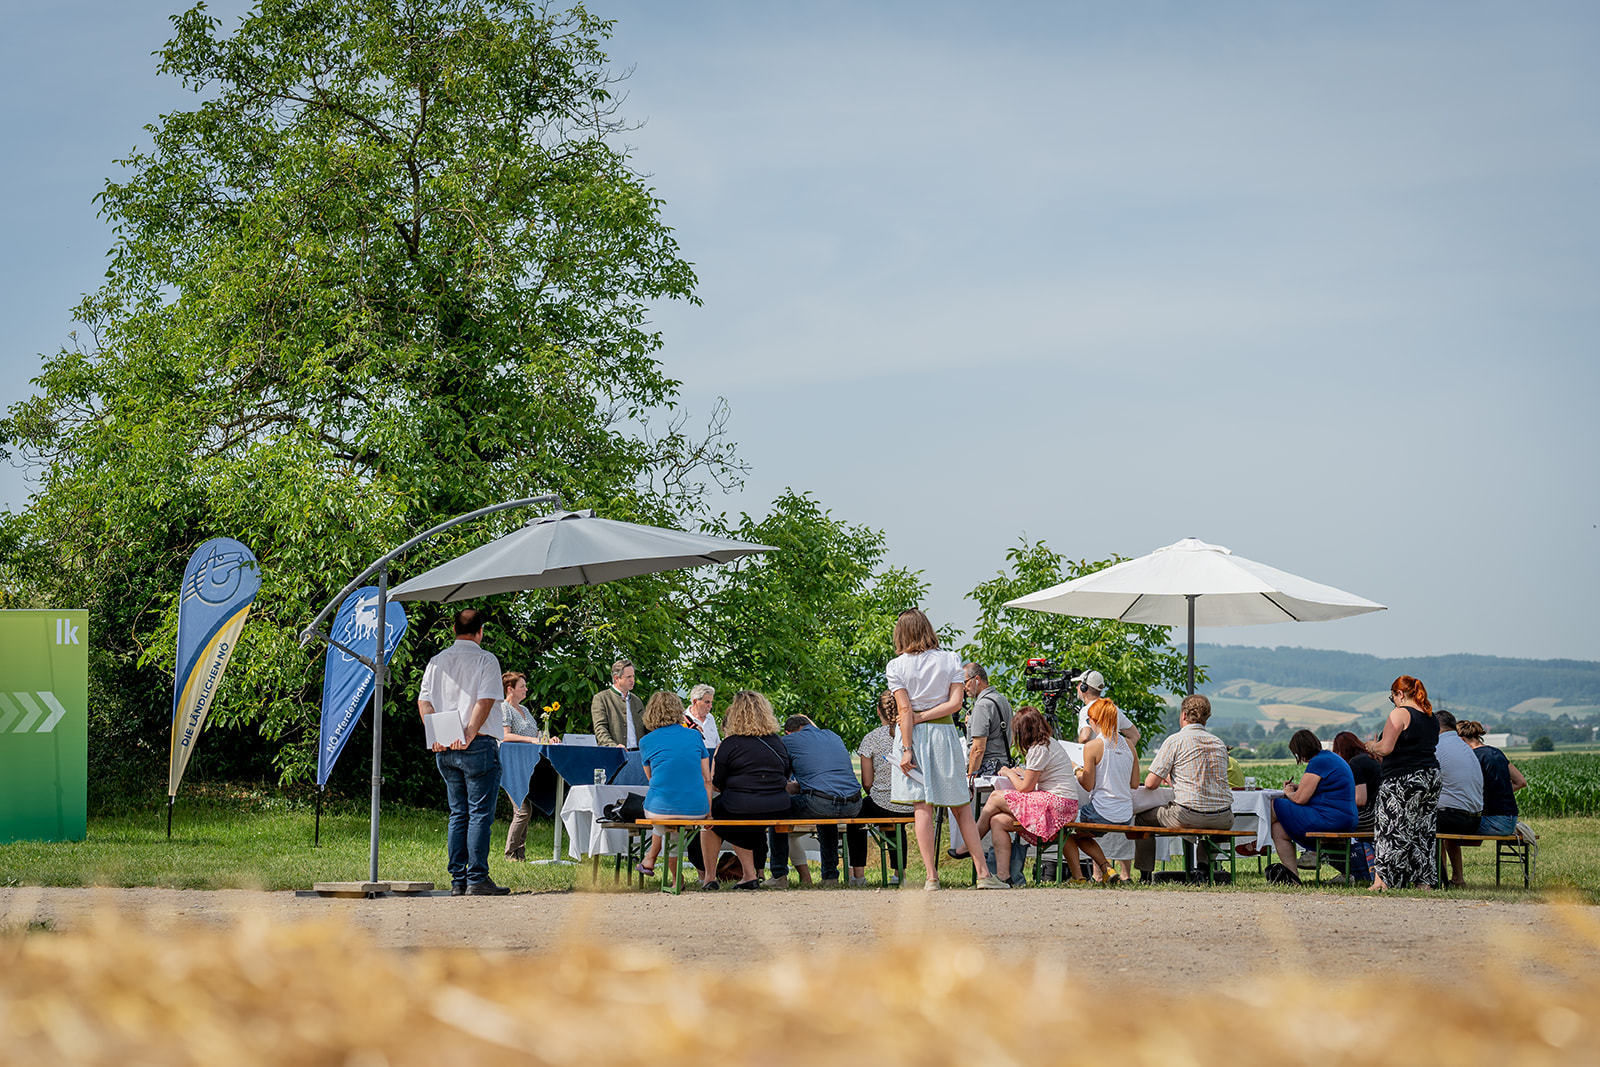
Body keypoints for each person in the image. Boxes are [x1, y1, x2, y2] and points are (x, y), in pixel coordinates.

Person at [888, 608, 1007, 890]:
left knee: (922, 807)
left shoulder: (896, 666)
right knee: (961, 807)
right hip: (943, 734)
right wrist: (925, 716)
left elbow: (904, 709)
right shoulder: (950, 658)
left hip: (911, 735)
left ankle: (931, 877)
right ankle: (982, 874)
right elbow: (955, 704)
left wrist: (907, 746)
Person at [417, 608, 509, 895]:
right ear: (480, 631)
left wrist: (436, 734)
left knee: (458, 813)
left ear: (453, 630)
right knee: (480, 812)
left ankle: (458, 879)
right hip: (477, 743)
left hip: (445, 745)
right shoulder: (485, 659)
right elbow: (485, 701)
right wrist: (469, 732)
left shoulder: (437, 661)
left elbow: (425, 702)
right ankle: (477, 877)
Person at [1134, 693, 1234, 882]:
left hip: (1188, 815)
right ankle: (1203, 869)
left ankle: (1145, 874)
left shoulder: (1175, 740)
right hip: (1224, 817)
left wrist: (1167, 776)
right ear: (1207, 717)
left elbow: (1150, 783)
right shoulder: (1219, 743)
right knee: (1208, 824)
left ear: (1184, 715)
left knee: (1142, 819)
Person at [699, 690, 792, 890]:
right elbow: (785, 774)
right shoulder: (777, 742)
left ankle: (709, 877)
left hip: (741, 804)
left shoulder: (729, 744)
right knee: (741, 816)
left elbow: (718, 783)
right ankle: (750, 875)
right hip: (779, 805)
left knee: (711, 818)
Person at [977, 707, 1081, 882]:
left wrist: (1009, 773)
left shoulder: (1039, 748)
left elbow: (1025, 789)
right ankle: (1004, 876)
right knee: (997, 821)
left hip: (1057, 805)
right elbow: (1040, 777)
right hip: (1062, 804)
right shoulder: (1049, 743)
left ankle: (970, 842)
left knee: (995, 797)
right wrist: (1023, 773)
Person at [767, 714, 863, 887]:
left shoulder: (789, 741)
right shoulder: (833, 735)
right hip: (854, 803)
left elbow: (782, 781)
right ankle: (830, 877)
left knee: (778, 812)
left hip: (821, 802)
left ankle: (779, 875)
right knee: (827, 817)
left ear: (789, 732)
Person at [1251, 730, 1358, 885]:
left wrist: (1288, 792)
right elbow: (1320, 789)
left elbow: (1300, 799)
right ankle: (1293, 877)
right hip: (1342, 817)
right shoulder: (1329, 758)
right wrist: (1298, 787)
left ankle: (1257, 841)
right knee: (1278, 829)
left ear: (1300, 751)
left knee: (1275, 805)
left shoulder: (1318, 762)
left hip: (1330, 819)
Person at [1365, 674, 1441, 891]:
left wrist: (1372, 746)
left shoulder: (1400, 714)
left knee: (1391, 828)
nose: (1394, 702)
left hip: (1402, 779)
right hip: (1431, 777)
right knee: (1423, 831)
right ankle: (1424, 882)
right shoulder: (1431, 717)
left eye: (1392, 697)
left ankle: (1384, 882)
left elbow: (1386, 748)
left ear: (1399, 694)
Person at [636, 691, 713, 880]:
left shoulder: (646, 741)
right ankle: (657, 865)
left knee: (664, 819)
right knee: (673, 825)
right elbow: (707, 779)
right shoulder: (695, 737)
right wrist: (709, 813)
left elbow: (652, 779)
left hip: (660, 808)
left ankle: (656, 862)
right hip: (696, 808)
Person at [847, 690, 912, 885]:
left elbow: (867, 782)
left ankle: (858, 875)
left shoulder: (871, 738)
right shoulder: (911, 733)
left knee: (857, 818)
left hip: (883, 802)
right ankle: (899, 875)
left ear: (878, 711)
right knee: (896, 819)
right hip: (912, 803)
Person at [1070, 697, 1138, 883]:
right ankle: (1107, 869)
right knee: (1079, 831)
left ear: (1096, 721)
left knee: (1066, 827)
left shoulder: (1092, 747)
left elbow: (1087, 784)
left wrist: (1076, 768)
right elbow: (1134, 783)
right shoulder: (1130, 746)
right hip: (1125, 814)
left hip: (1101, 811)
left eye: (1089, 720)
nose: (1088, 723)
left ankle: (1090, 872)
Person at [1433, 709, 1485, 888]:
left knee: (1424, 822)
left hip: (1452, 818)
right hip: (1474, 819)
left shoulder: (1437, 747)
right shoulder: (1464, 746)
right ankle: (1458, 878)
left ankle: (1438, 879)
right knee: (1447, 829)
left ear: (1436, 727)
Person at [498, 671, 542, 862]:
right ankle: (510, 853)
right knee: (522, 809)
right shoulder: (504, 708)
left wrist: (546, 738)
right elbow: (504, 736)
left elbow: (535, 733)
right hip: (511, 765)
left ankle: (519, 854)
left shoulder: (524, 709)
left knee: (527, 809)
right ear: (510, 689)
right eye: (522, 686)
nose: (525, 689)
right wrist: (531, 739)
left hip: (526, 766)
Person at [1456, 720, 1526, 836]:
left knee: (1445, 828)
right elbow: (1521, 782)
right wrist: (1501, 793)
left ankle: (1449, 856)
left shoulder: (1472, 756)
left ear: (1462, 740)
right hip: (1511, 820)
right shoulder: (1497, 752)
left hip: (1493, 822)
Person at [1332, 730, 1382, 882]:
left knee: (1327, 824)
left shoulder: (1355, 763)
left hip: (1368, 817)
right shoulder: (1370, 758)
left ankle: (1352, 870)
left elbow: (1360, 799)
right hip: (1379, 813)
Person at [963, 663, 1014, 777]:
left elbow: (977, 749)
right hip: (1003, 769)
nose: (964, 687)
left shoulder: (982, 705)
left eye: (965, 682)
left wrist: (970, 778)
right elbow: (1011, 740)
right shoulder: (1002, 700)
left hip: (986, 772)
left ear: (977, 679)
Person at [1073, 670, 1140, 750]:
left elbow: (1085, 737)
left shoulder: (1086, 710)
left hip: (1092, 760)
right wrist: (1122, 753)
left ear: (1084, 688)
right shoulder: (1113, 708)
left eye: (1078, 684)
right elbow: (1135, 735)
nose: (1077, 687)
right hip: (1113, 761)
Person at [590, 658, 646, 749]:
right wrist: (614, 746)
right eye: (628, 677)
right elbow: (600, 729)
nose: (632, 680)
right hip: (615, 755)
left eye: (633, 676)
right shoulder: (601, 699)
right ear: (616, 678)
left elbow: (647, 726)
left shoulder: (636, 700)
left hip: (639, 754)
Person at [684, 683, 721, 750]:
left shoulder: (710, 717)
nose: (710, 706)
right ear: (695, 701)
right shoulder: (683, 719)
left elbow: (717, 743)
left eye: (711, 702)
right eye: (707, 702)